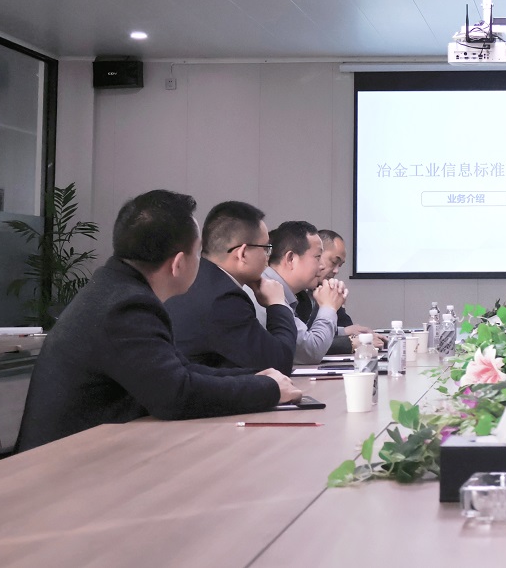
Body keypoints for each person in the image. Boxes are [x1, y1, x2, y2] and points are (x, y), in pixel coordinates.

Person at [17, 190, 301, 452]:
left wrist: (257, 379)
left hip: (85, 451)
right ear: (178, 264)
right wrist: (268, 389)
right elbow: (176, 395)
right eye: (198, 252)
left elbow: (180, 369)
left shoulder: (115, 288)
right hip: (62, 465)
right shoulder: (127, 307)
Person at [166, 201, 297, 372]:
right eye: (266, 248)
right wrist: (278, 304)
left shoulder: (195, 280)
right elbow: (279, 362)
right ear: (242, 254)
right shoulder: (224, 300)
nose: (267, 257)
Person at [247, 221, 347, 364]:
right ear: (291, 259)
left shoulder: (278, 289)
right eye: (318, 257)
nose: (321, 266)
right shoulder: (264, 291)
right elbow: (311, 351)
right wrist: (328, 307)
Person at [316, 229, 383, 344]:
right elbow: (307, 343)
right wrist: (351, 343)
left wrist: (349, 331)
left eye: (340, 266)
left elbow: (343, 325)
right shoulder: (297, 292)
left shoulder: (324, 288)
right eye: (333, 262)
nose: (336, 271)